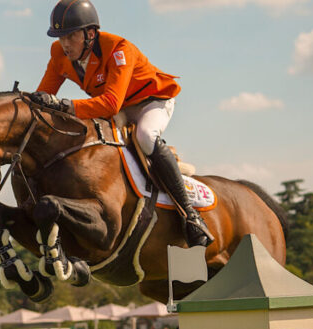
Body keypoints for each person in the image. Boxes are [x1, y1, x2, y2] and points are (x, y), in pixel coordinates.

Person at [32, 0, 213, 247]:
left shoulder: (119, 48)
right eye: (60, 36)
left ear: (90, 34)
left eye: (71, 35)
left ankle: (190, 216)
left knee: (145, 136)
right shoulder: (59, 54)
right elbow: (44, 97)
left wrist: (63, 105)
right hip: (119, 107)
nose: (65, 43)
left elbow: (109, 104)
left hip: (152, 101)